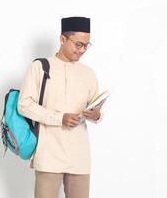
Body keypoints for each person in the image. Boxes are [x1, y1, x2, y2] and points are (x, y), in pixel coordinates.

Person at [18, 16, 105, 198]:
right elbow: (24, 105)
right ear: (62, 39)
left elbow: (97, 111)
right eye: (78, 44)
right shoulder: (40, 67)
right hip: (49, 154)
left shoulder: (88, 73)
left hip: (79, 157)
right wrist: (60, 118)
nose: (82, 50)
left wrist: (96, 115)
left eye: (86, 45)